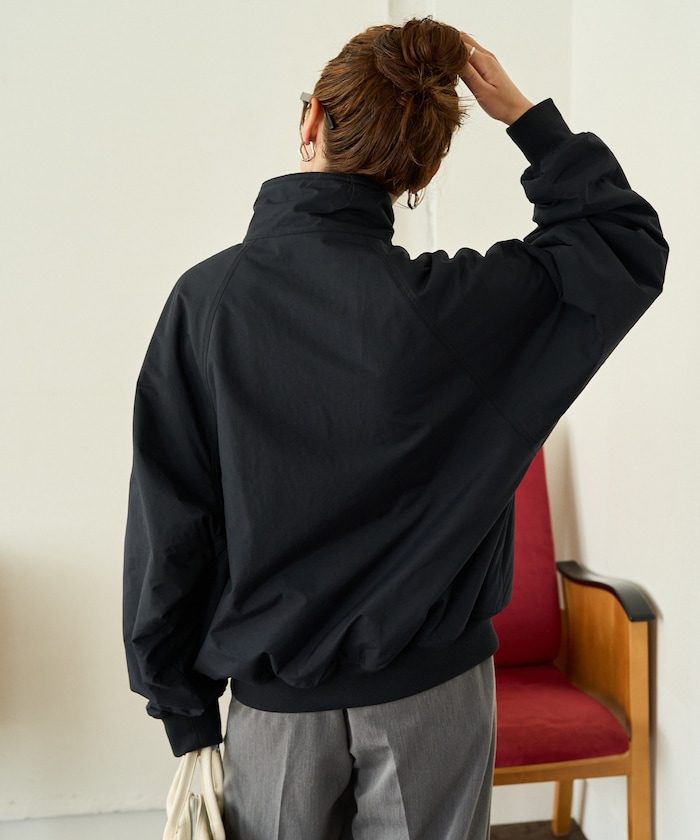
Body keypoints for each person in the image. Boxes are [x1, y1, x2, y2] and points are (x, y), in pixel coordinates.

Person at [123, 17, 667, 840]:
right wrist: (527, 121)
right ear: (427, 169)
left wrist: (184, 710)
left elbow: (171, 524)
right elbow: (624, 244)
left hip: (277, 708)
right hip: (436, 700)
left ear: (311, 121)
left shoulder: (207, 304)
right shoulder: (460, 309)